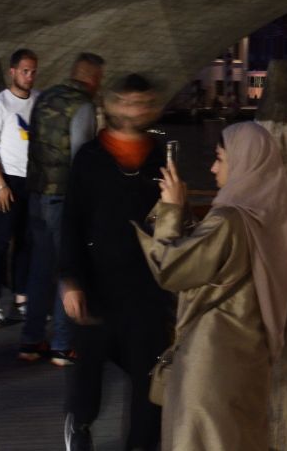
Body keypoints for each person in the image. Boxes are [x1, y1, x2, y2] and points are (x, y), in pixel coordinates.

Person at [136, 119, 287, 451]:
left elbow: (172, 269)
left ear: (242, 162)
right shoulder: (268, 219)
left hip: (210, 362)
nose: (212, 168)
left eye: (220, 158)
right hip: (248, 360)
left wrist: (169, 211)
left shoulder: (229, 220)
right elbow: (215, 262)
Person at [60, 74, 173, 451]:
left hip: (147, 286)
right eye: (125, 101)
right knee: (90, 365)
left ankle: (141, 444)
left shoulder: (159, 158)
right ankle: (81, 424)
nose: (133, 110)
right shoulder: (90, 158)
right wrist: (71, 279)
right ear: (110, 104)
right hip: (97, 281)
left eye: (141, 102)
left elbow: (171, 222)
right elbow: (72, 220)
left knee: (149, 371)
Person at [23, 52, 105, 364]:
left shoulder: (45, 98)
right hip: (63, 198)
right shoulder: (82, 106)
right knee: (67, 268)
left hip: (36, 194)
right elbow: (82, 157)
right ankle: (61, 343)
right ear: (93, 78)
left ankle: (30, 342)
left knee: (40, 268)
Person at [0, 47, 39, 328]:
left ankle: (21, 299)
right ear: (12, 71)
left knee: (27, 242)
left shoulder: (39, 101)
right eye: (25, 71)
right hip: (9, 181)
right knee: (0, 241)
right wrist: (0, 184)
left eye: (33, 71)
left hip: (33, 181)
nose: (30, 76)